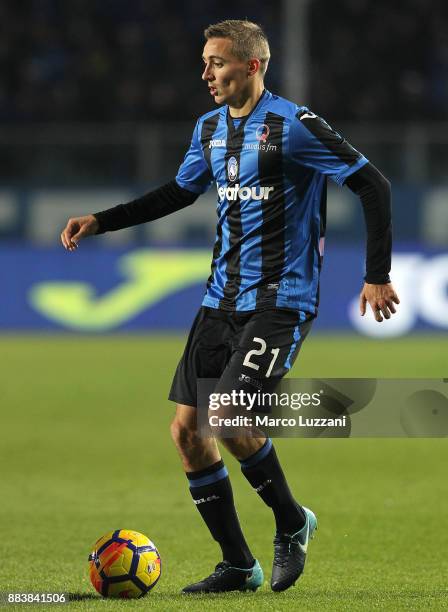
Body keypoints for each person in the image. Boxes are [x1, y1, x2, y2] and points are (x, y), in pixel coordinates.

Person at [61, 19, 400, 594]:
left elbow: (374, 185)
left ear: (252, 65)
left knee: (233, 417)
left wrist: (376, 276)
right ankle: (239, 566)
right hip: (219, 299)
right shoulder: (209, 128)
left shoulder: (294, 125)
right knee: (188, 433)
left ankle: (292, 523)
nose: (205, 74)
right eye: (205, 62)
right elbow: (178, 192)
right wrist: (103, 220)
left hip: (279, 300)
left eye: (216, 62)